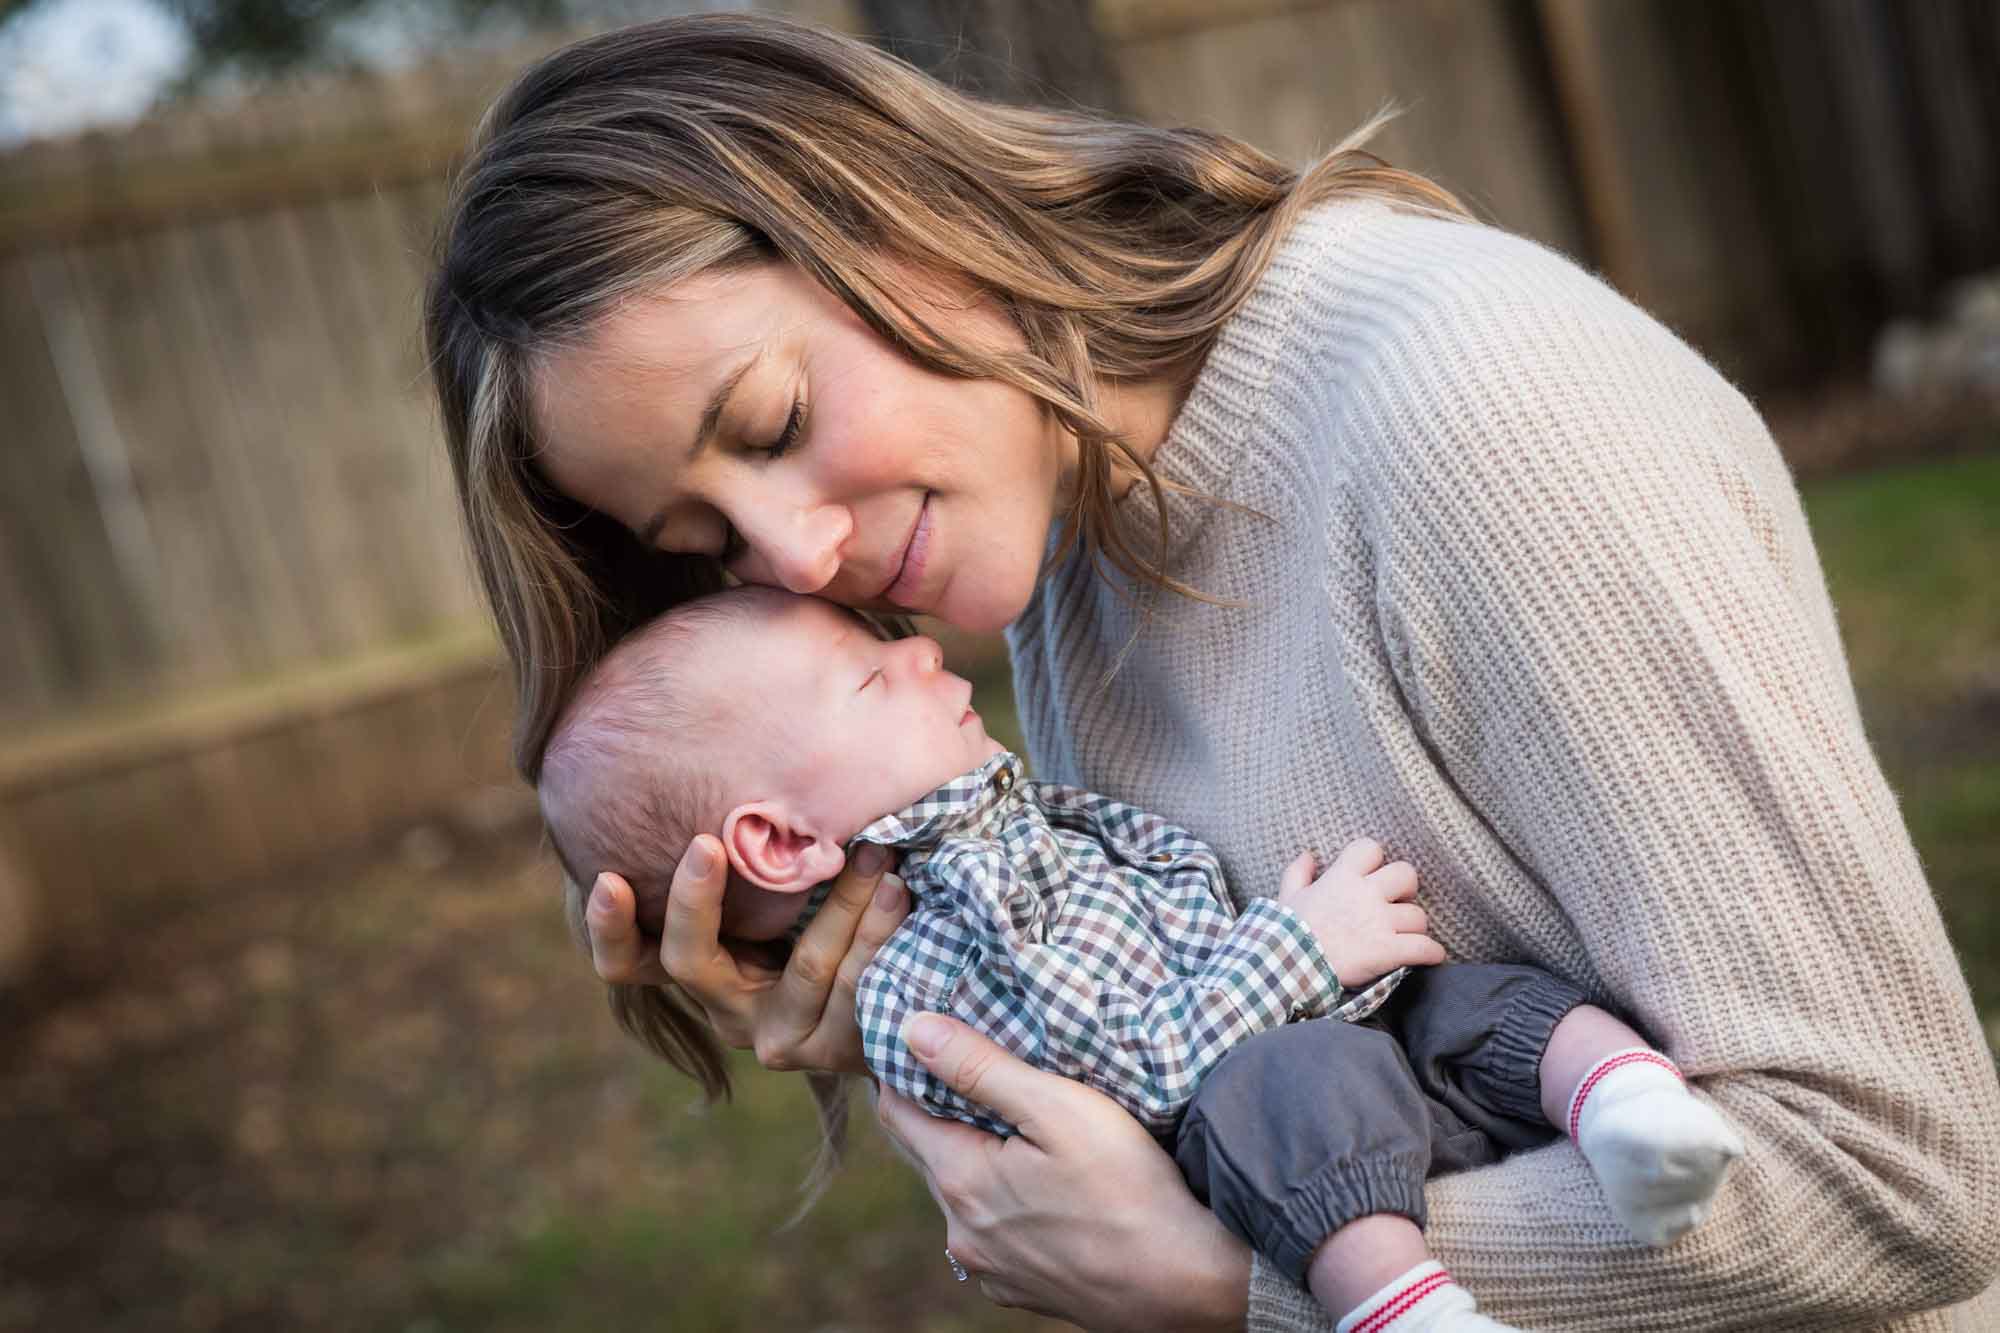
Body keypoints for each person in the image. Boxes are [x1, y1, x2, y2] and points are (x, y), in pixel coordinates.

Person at [424, 12, 2000, 1331]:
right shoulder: (1069, 527)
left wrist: (1229, 1278)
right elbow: (1241, 1065)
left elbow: (1903, 1174)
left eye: (769, 423)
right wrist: (929, 1014)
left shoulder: (1480, 414)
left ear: (891, 213)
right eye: (706, 539)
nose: (798, 555)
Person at [535, 585, 1744, 1332]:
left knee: (1482, 1003)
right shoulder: (931, 951)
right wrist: (1298, 947)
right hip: (1274, 1115)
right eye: (870, 670)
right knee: (1296, 1091)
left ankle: (1629, 1110)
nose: (919, 654)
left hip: (1354, 1028)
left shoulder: (1004, 827)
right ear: (777, 840)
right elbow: (1136, 1070)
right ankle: (1402, 1307)